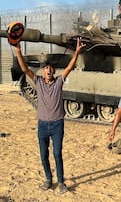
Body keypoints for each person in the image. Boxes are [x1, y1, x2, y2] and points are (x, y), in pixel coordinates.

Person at [14, 38, 85, 194]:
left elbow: (69, 67)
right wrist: (18, 52)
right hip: (42, 125)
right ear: (43, 71)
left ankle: (60, 182)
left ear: (54, 71)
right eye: (46, 68)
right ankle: (48, 178)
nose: (49, 70)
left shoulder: (59, 81)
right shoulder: (38, 81)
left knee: (57, 153)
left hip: (57, 124)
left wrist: (77, 52)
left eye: (51, 68)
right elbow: (25, 70)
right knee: (44, 154)